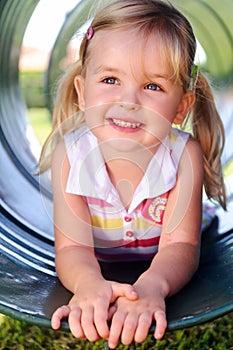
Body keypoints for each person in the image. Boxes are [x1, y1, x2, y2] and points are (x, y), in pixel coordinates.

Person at [39, 0, 226, 348]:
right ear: (82, 93)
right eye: (110, 79)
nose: (129, 101)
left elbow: (181, 245)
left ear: (181, 107)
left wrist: (152, 286)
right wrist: (88, 284)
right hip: (102, 255)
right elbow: (73, 247)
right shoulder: (71, 155)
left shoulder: (183, 154)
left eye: (152, 86)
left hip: (167, 251)